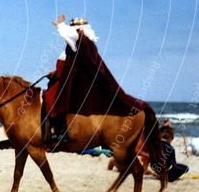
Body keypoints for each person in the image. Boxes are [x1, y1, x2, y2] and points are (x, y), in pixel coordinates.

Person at [43, 14, 143, 144]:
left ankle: (61, 132)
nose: (74, 30)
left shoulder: (80, 39)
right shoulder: (82, 42)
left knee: (51, 97)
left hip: (72, 82)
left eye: (75, 28)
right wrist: (55, 72)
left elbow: (71, 36)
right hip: (66, 79)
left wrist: (61, 25)